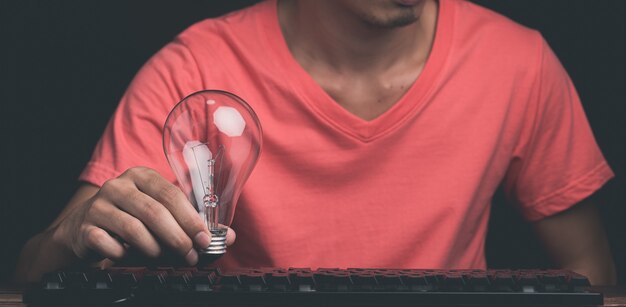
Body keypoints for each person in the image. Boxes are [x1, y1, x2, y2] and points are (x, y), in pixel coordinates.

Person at [16, 0, 617, 285]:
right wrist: (72, 234)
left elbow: (592, 273)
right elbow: (34, 273)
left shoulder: (517, 62)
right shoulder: (195, 67)